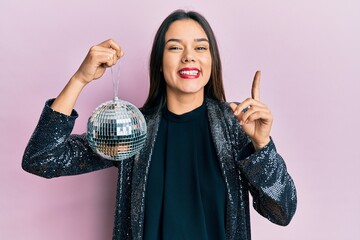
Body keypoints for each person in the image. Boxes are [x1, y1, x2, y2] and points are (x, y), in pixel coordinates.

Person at [22, 9, 297, 240]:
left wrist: (262, 146)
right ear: (159, 61)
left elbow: (282, 212)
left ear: (211, 61)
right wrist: (79, 79)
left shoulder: (237, 125)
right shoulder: (131, 129)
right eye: (175, 47)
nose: (189, 56)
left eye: (200, 47)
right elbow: (43, 159)